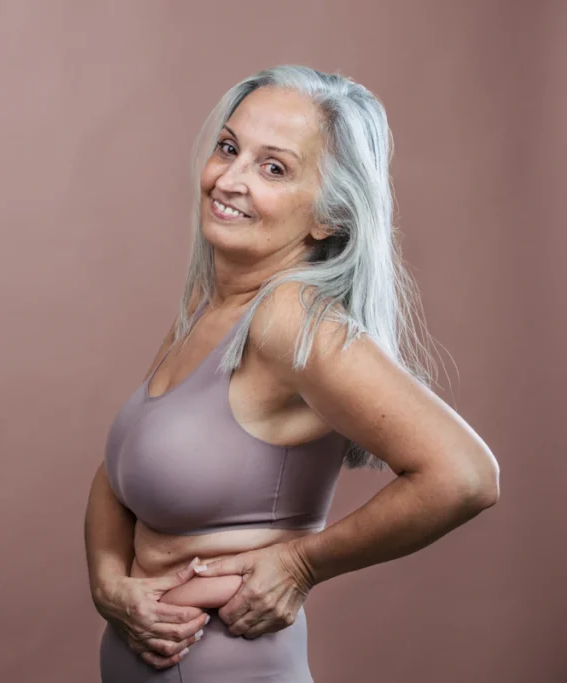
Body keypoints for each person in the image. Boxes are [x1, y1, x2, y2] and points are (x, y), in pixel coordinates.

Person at [83, 65, 500, 682]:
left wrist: (302, 565)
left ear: (328, 217)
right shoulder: (208, 308)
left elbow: (465, 476)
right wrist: (109, 586)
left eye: (273, 168)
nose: (229, 179)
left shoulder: (290, 316)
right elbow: (118, 476)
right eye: (229, 148)